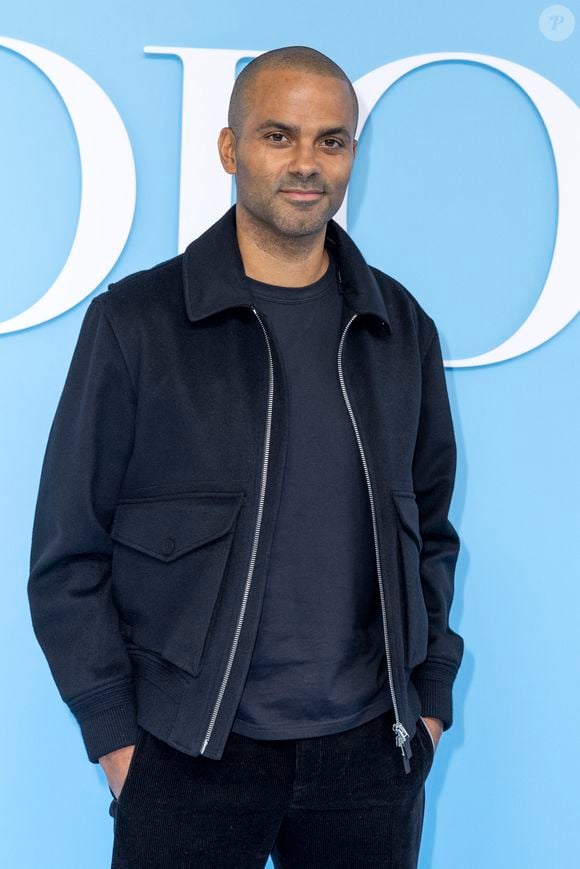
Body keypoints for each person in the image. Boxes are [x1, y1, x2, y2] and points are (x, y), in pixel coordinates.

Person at [27, 45, 464, 868]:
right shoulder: (138, 323)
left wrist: (429, 698)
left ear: (351, 157)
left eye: (331, 141)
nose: (307, 164)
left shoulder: (399, 328)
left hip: (371, 756)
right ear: (230, 150)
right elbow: (67, 553)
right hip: (189, 752)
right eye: (279, 136)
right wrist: (118, 738)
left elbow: (432, 531)